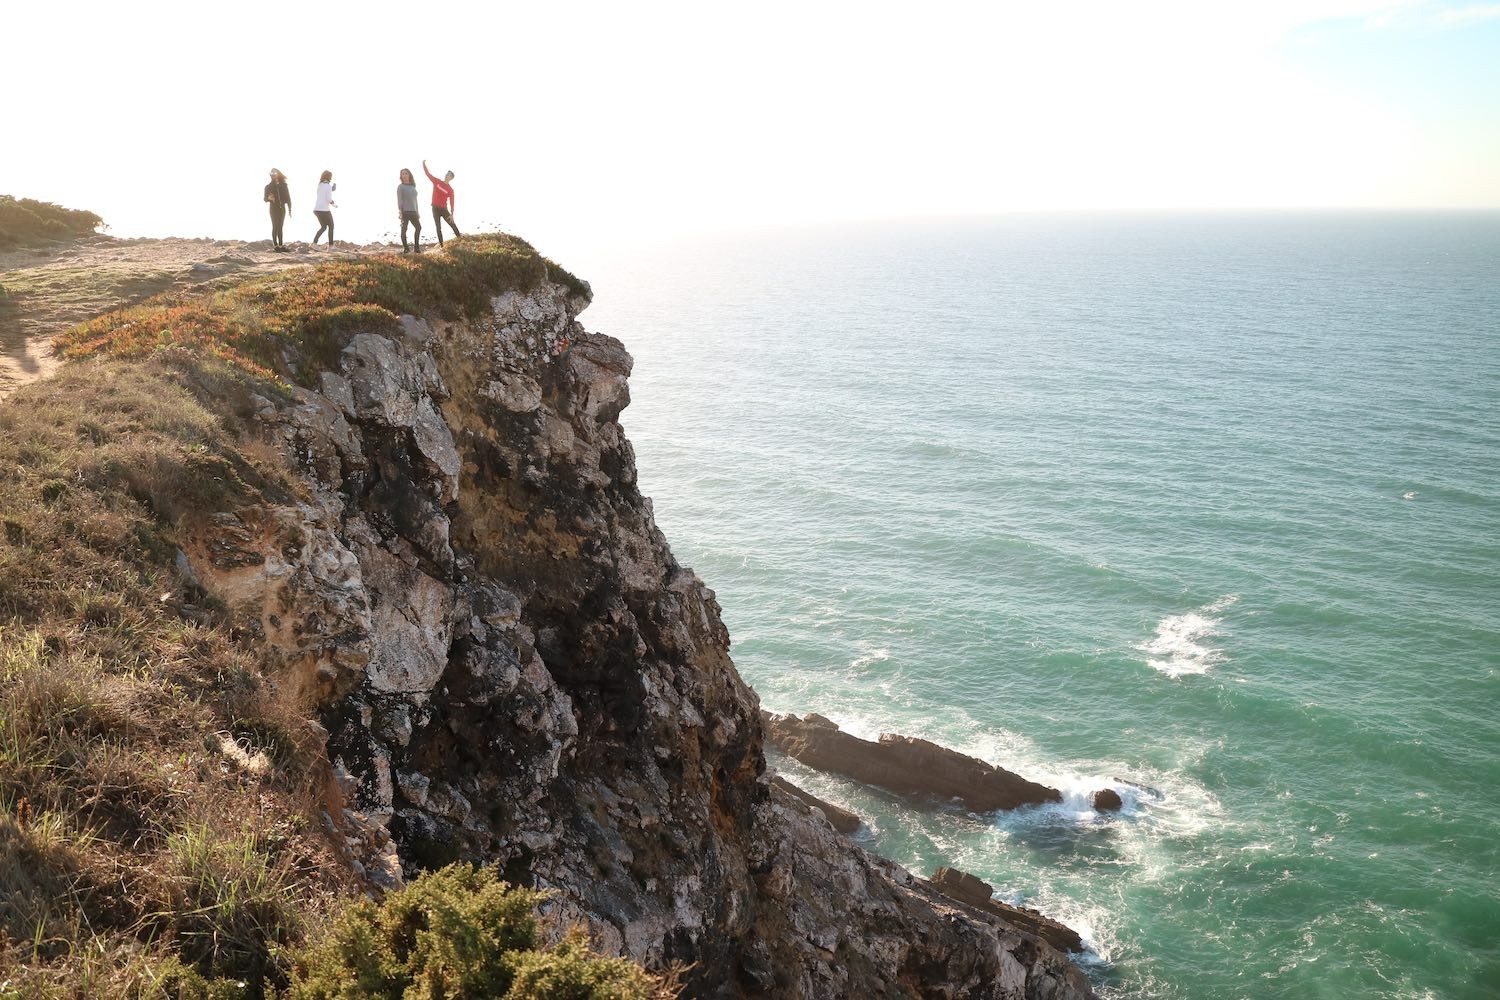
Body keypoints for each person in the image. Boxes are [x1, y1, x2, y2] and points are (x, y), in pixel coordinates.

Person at [423, 160, 461, 245]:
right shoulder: (437, 181)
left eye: (449, 175)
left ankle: (460, 240)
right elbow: (428, 174)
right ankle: (441, 245)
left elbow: (452, 202)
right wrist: (424, 164)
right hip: (435, 208)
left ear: (451, 178)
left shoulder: (450, 190)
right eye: (446, 174)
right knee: (438, 227)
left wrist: (451, 214)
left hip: (443, 209)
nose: (446, 175)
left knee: (452, 224)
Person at [263, 169, 292, 252]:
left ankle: (281, 245)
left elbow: (288, 198)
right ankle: (276, 246)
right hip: (273, 209)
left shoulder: (284, 185)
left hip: (282, 209)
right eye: (271, 173)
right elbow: (265, 199)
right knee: (275, 226)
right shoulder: (268, 186)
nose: (273, 175)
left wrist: (290, 209)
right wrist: (269, 198)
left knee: (280, 227)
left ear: (278, 174)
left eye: (275, 173)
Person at [397, 168, 422, 253]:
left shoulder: (413, 186)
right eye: (402, 174)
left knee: (418, 228)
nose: (404, 175)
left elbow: (415, 200)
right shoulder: (400, 187)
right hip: (405, 211)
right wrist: (400, 212)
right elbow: (399, 200)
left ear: (409, 175)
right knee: (404, 230)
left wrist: (417, 211)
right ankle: (406, 248)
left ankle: (416, 248)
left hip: (414, 211)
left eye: (406, 173)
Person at [312, 170, 337, 246]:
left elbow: (324, 191)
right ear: (328, 177)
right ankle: (331, 246)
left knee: (323, 227)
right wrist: (334, 204)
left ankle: (314, 243)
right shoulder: (328, 186)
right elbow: (328, 199)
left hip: (316, 209)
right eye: (330, 177)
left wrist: (331, 189)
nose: (331, 179)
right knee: (331, 226)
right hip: (324, 210)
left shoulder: (320, 184)